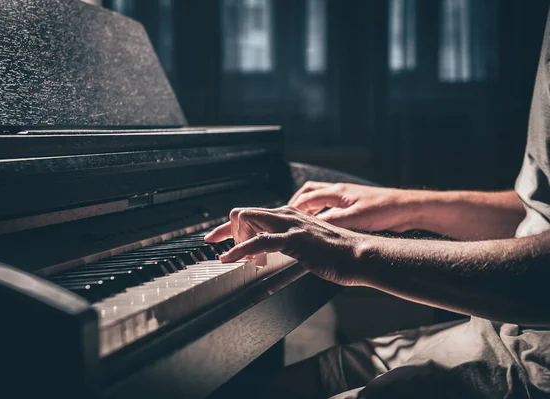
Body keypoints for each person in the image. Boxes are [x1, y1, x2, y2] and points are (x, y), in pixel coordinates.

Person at [204, 10, 550, 399]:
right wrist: (406, 205)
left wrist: (354, 251)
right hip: (497, 329)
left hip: (535, 360)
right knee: (270, 388)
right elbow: (539, 211)